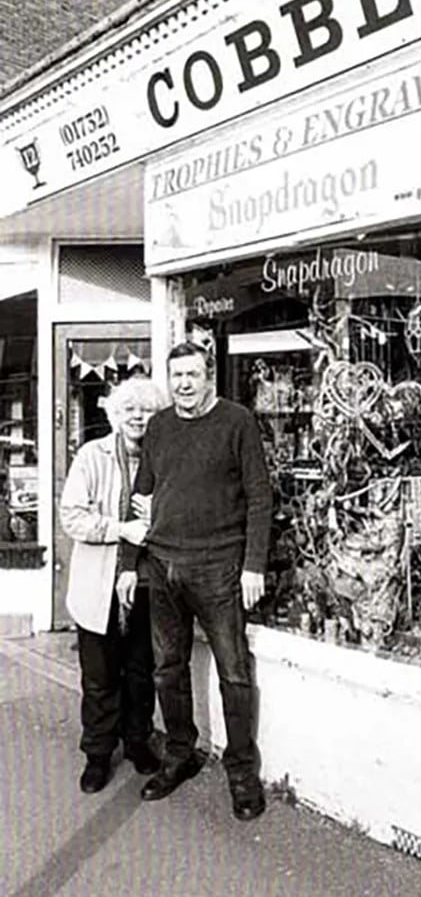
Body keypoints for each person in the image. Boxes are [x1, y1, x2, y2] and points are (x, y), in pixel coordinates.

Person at [116, 341, 272, 820]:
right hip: (163, 566)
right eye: (177, 375)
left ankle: (242, 772)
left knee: (233, 672)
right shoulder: (159, 427)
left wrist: (253, 565)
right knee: (168, 667)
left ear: (210, 378)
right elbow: (142, 495)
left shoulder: (237, 422)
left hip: (219, 568)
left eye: (193, 375)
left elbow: (260, 497)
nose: (184, 384)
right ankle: (180, 754)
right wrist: (128, 562)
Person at [60, 375, 166, 794]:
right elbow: (72, 517)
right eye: (129, 410)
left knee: (141, 674)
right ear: (114, 415)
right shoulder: (92, 455)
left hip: (147, 586)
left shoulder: (164, 459)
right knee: (100, 678)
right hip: (98, 587)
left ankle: (137, 741)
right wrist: (121, 528)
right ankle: (98, 755)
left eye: (146, 410)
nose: (138, 417)